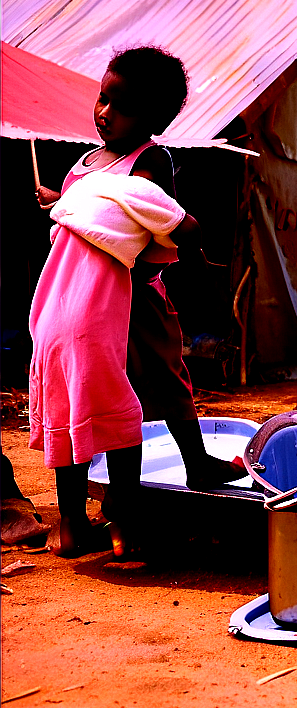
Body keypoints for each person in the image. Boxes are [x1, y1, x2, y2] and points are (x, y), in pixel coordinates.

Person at [35, 47, 243, 501]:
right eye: (102, 98)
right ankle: (107, 489)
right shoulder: (85, 164)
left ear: (154, 119)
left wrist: (72, 201)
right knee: (96, 389)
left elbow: (146, 209)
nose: (105, 113)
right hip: (86, 300)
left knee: (168, 377)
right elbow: (85, 216)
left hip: (138, 294)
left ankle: (196, 464)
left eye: (123, 107)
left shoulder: (150, 161)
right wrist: (59, 201)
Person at [30, 167, 201, 557]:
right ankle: (123, 524)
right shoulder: (140, 189)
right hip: (88, 325)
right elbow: (189, 230)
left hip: (45, 322)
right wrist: (197, 256)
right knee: (122, 418)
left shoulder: (80, 194)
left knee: (69, 419)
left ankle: (71, 525)